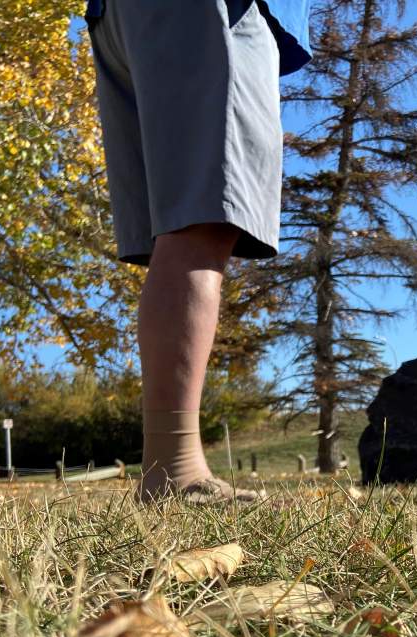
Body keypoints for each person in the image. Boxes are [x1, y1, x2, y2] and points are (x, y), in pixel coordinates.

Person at [84, 0, 311, 504]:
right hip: (210, 11)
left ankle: (171, 461)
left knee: (181, 227)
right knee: (202, 221)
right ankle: (174, 468)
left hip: (119, 18)